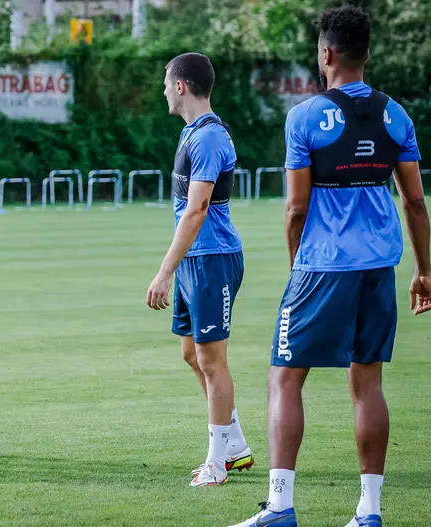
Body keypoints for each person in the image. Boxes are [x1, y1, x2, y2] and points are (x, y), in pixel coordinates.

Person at [228, 6, 431, 527]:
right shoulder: (396, 115)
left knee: (284, 377)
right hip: (379, 267)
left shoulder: (304, 117)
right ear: (367, 53)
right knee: (368, 383)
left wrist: (297, 264)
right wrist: (423, 271)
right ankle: (369, 511)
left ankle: (280, 506)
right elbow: (414, 202)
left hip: (322, 266)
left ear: (325, 53)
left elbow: (296, 208)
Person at [146, 52, 253, 487]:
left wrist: (163, 271)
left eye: (165, 84)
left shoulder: (208, 138)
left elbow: (197, 210)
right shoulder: (192, 133)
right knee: (192, 355)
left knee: (212, 361)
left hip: (212, 259)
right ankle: (236, 446)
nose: (163, 91)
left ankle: (217, 463)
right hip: (195, 260)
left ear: (180, 86)